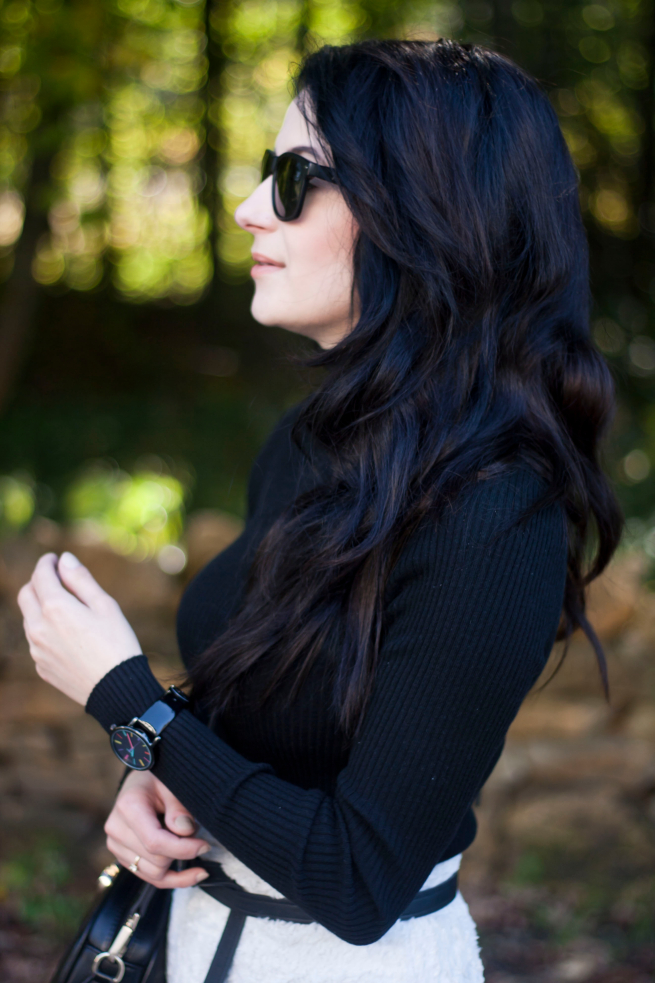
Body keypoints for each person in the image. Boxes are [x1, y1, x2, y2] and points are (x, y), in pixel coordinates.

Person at [18, 38, 623, 983]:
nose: (249, 207)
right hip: (202, 944)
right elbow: (271, 715)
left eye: (296, 178)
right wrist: (158, 771)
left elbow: (357, 879)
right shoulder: (315, 440)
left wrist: (127, 702)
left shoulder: (497, 515)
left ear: (421, 214)